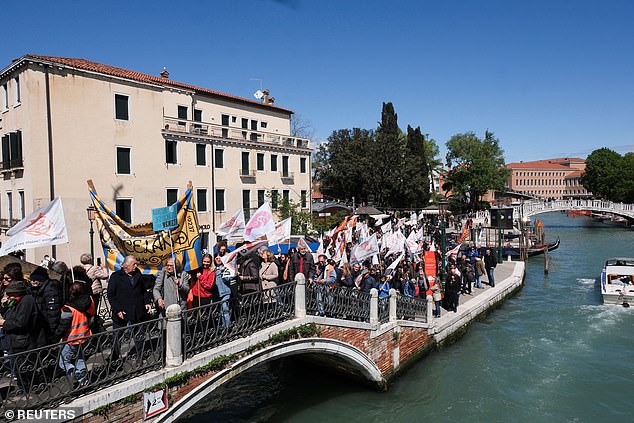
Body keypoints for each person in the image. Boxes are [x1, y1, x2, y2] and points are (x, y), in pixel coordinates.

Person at [107, 255, 152, 361]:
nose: (136, 266)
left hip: (137, 310)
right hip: (122, 312)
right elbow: (111, 295)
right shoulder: (116, 276)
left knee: (139, 334)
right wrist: (118, 310)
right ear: (126, 266)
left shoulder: (137, 273)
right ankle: (114, 358)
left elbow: (143, 290)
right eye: (134, 264)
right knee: (117, 336)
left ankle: (140, 355)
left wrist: (147, 302)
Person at [54, 282, 94, 387]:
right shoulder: (88, 301)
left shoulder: (68, 308)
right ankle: (84, 380)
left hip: (72, 338)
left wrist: (54, 340)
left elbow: (63, 326)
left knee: (63, 362)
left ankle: (79, 376)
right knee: (80, 358)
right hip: (84, 336)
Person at [28, 266, 61, 344]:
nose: (33, 282)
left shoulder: (50, 290)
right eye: (31, 280)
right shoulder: (35, 289)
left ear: (41, 280)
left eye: (35, 280)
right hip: (42, 325)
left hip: (48, 327)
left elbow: (53, 312)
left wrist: (51, 331)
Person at [212, 254, 232, 328]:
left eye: (219, 257)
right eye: (216, 257)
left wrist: (222, 271)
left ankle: (227, 328)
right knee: (220, 312)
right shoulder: (213, 269)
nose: (218, 259)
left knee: (225, 310)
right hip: (216, 293)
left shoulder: (225, 267)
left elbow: (228, 279)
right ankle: (223, 327)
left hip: (225, 292)